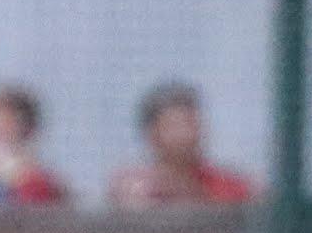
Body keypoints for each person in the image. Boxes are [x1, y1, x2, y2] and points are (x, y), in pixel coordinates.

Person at [101, 80, 256, 209]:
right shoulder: (136, 189)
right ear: (153, 134)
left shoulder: (228, 187)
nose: (188, 134)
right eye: (176, 126)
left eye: (192, 124)